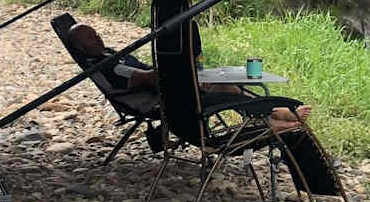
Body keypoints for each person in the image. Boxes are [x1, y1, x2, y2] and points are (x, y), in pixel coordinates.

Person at [65, 21, 311, 133]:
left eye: (96, 34)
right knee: (227, 89)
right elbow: (149, 77)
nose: (98, 38)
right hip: (166, 99)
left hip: (167, 90)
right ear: (82, 47)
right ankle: (269, 119)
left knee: (225, 85)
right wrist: (184, 74)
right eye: (91, 38)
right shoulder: (110, 66)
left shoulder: (107, 56)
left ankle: (272, 114)